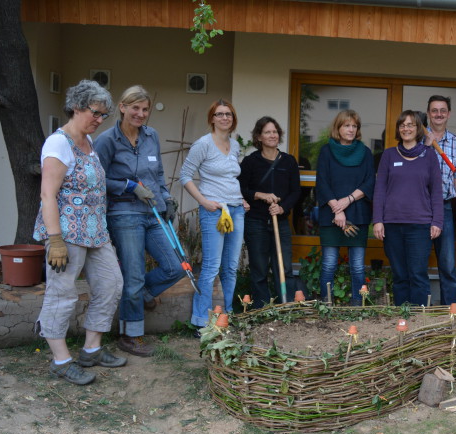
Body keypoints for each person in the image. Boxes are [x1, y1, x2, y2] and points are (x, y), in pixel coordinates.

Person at [33, 79, 126, 385]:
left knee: (111, 284)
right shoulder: (59, 143)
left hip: (96, 231)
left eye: (103, 115)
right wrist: (55, 239)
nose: (99, 120)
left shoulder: (89, 143)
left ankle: (91, 349)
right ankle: (60, 361)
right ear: (77, 107)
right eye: (96, 113)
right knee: (62, 294)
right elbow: (48, 195)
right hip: (67, 232)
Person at [94, 85, 184, 357]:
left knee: (176, 266)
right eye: (135, 108)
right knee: (132, 273)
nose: (141, 114)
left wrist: (167, 198)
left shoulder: (151, 136)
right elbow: (98, 178)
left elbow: (157, 172)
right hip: (124, 214)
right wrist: (130, 186)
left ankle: (142, 293)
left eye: (145, 109)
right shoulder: (107, 140)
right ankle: (130, 335)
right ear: (122, 107)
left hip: (153, 212)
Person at [180, 99, 248, 329]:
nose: (224, 118)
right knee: (211, 267)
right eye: (219, 114)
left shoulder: (235, 144)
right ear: (212, 119)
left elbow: (230, 177)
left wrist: (240, 199)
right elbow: (185, 176)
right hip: (213, 211)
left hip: (236, 210)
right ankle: (202, 320)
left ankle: (226, 315)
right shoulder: (203, 144)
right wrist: (203, 201)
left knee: (231, 267)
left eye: (228, 114)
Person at [374, 110, 443, 306]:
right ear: (398, 129)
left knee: (418, 274)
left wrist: (437, 221)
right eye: (402, 125)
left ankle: (419, 320)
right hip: (392, 225)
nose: (406, 128)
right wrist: (378, 220)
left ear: (418, 129)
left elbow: (436, 192)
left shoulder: (429, 156)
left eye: (411, 125)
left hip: (420, 225)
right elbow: (379, 190)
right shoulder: (388, 155)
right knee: (399, 275)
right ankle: (401, 318)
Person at [239, 116, 301, 308]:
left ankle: (286, 305)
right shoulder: (250, 162)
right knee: (259, 269)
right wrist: (260, 195)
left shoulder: (288, 161)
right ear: (259, 136)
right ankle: (263, 309)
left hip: (280, 221)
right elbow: (241, 190)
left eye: (275, 131)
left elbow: (296, 191)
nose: (272, 135)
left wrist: (282, 207)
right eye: (267, 132)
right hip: (256, 222)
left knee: (284, 267)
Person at [315, 110, 375, 305]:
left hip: (358, 215)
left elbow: (369, 182)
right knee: (329, 264)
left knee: (357, 267)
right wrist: (337, 209)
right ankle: (327, 304)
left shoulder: (365, 152)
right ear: (338, 128)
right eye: (346, 125)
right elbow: (322, 183)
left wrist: (348, 200)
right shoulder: (326, 151)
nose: (351, 129)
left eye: (354, 126)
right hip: (331, 215)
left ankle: (357, 305)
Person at [427, 95, 456, 305]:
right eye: (434, 110)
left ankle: (449, 313)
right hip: (419, 208)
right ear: (428, 114)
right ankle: (419, 312)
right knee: (417, 262)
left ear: (449, 114)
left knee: (447, 263)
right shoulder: (418, 140)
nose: (438, 114)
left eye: (442, 110)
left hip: (445, 207)